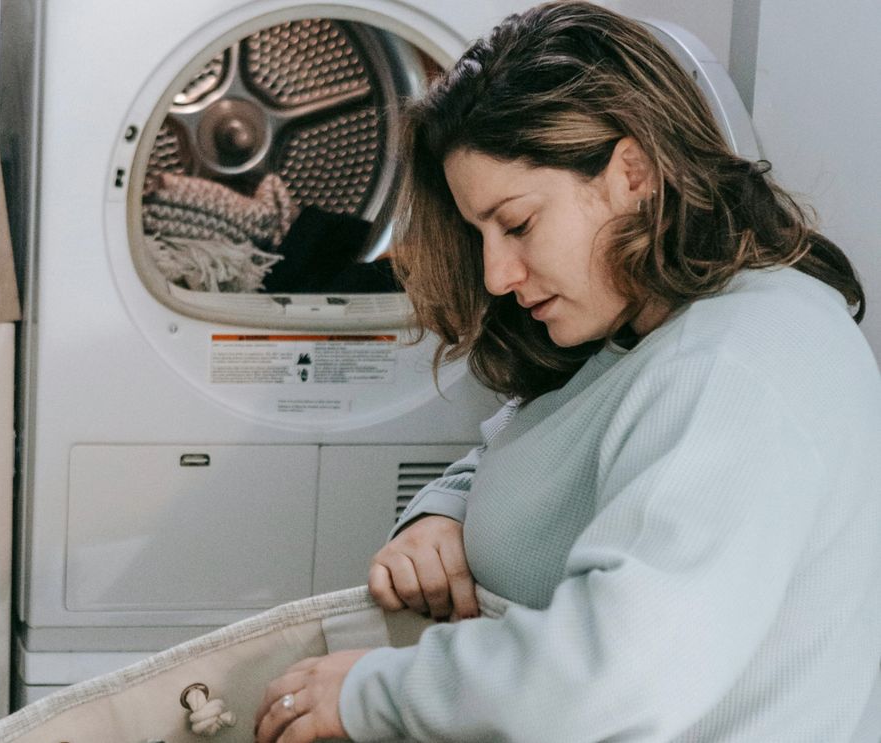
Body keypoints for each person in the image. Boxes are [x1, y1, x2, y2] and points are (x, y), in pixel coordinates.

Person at [253, 2, 881, 740]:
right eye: (478, 233)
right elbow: (543, 436)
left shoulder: (738, 359)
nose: (495, 273)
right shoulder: (647, 330)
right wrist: (446, 513)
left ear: (633, 174)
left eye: (516, 224)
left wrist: (370, 692)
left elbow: (618, 675)